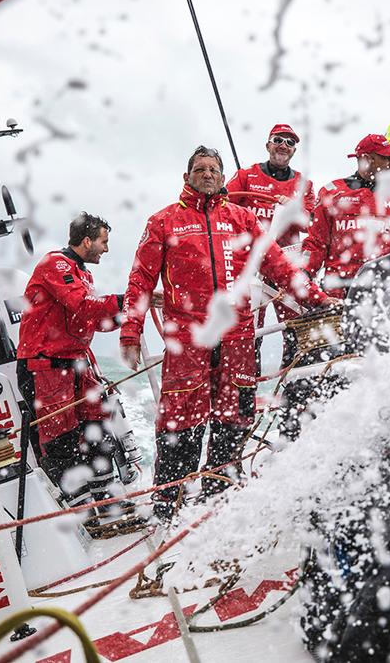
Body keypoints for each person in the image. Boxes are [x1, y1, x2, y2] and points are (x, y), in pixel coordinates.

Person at [120, 146, 336, 519]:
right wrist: (129, 333)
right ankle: (167, 506)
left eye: (213, 169)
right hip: (188, 340)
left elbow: (280, 267)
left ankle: (217, 499)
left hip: (237, 337)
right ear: (187, 177)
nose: (207, 174)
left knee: (235, 417)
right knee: (180, 424)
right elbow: (140, 280)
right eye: (200, 168)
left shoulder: (243, 220)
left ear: (222, 177)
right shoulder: (163, 222)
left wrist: (317, 299)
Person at [15, 213, 129, 519]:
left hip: (75, 363)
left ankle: (106, 500)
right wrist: (127, 300)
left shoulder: (83, 273)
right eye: (104, 242)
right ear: (88, 241)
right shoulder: (56, 264)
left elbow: (92, 318)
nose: (106, 249)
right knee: (61, 439)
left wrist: (128, 316)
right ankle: (81, 510)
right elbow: (82, 305)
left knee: (99, 427)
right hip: (46, 366)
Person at [225, 123, 316, 368]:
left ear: (294, 151)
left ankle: (292, 382)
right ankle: (247, 383)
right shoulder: (246, 176)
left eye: (290, 142)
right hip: (250, 264)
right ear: (268, 145)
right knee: (251, 326)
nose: (283, 146)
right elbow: (222, 206)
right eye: (278, 140)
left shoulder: (303, 185)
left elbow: (312, 224)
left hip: (285, 263)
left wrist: (294, 210)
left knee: (295, 327)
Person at [301, 134, 390, 297]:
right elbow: (316, 243)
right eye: (386, 158)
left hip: (383, 292)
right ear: (368, 159)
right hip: (338, 293)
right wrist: (303, 273)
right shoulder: (332, 193)